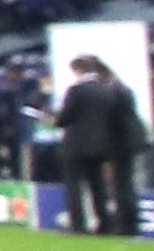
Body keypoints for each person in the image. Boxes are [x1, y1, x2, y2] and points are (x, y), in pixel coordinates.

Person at [55, 51, 146, 233]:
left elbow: (64, 118)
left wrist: (55, 119)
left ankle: (78, 225)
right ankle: (105, 222)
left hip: (76, 146)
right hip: (102, 146)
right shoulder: (110, 90)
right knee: (99, 185)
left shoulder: (77, 90)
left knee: (74, 185)